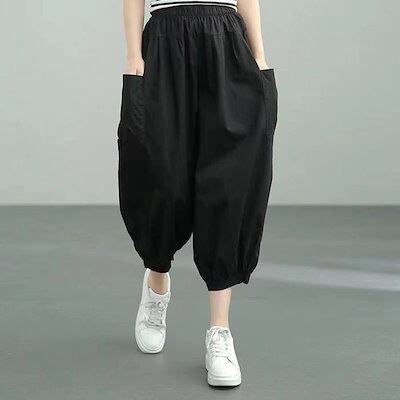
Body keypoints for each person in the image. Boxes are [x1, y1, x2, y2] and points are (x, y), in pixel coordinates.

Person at [118, 0, 277, 387]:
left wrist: (259, 56)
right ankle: (157, 281)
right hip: (165, 42)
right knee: (161, 178)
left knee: (227, 187)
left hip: (226, 44)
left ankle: (219, 332)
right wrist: (134, 56)